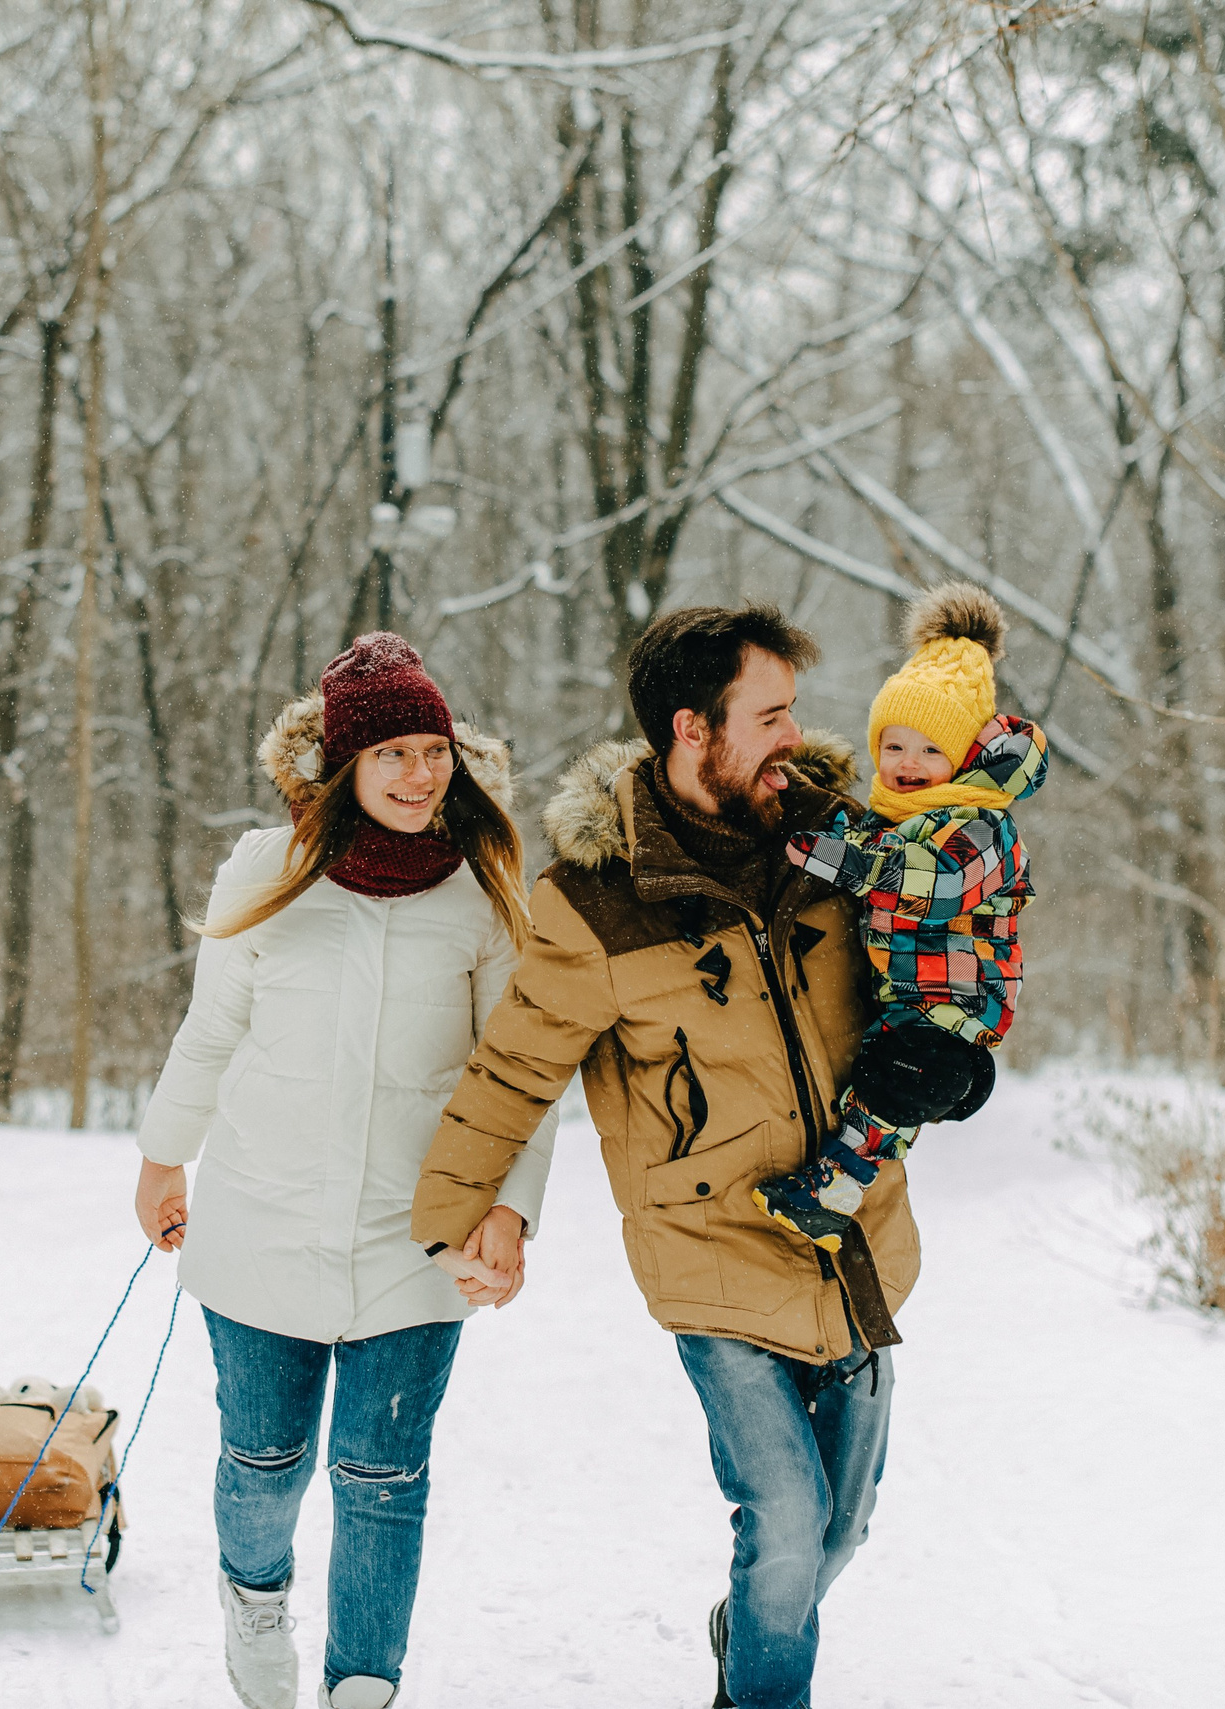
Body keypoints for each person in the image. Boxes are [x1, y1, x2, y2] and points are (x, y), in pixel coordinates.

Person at [409, 604, 915, 1709]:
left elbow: (935, 968)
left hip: (849, 1231)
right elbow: (512, 1068)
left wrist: (949, 1047)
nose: (793, 734)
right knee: (783, 1521)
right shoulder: (595, 901)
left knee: (842, 1524)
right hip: (712, 1254)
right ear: (693, 728)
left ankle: (749, 1624)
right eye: (767, 714)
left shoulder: (841, 846)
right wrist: (457, 1213)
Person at [133, 633, 554, 1709]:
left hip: (414, 1236)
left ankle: (362, 1684)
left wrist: (508, 1207)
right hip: (261, 1224)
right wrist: (161, 1155)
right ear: (344, 767)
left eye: (434, 751)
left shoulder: (482, 887)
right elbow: (210, 1028)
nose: (421, 774)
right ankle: (255, 1595)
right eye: (396, 753)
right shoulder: (263, 873)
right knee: (263, 1462)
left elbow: (514, 1070)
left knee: (381, 1480)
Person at [751, 584, 1047, 1245]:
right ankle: (836, 1185)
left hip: (956, 1007)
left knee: (901, 1075)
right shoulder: (891, 821)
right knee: (883, 1077)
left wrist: (854, 865)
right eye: (894, 747)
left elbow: (938, 885)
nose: (908, 764)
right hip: (907, 1000)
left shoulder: (986, 827)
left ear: (964, 757)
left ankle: (838, 1183)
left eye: (929, 750)